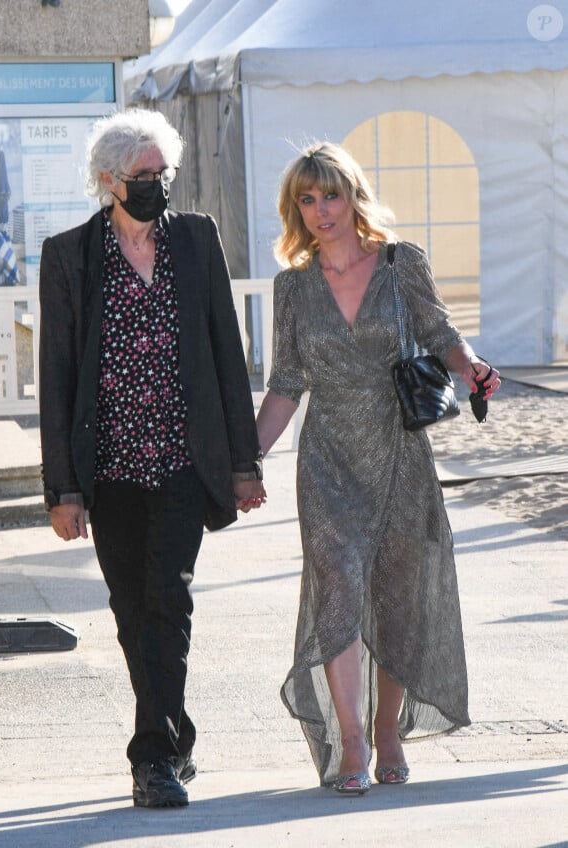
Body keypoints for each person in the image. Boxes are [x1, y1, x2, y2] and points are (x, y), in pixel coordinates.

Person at [256, 141, 500, 793]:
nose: (319, 210)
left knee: (396, 603)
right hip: (328, 461)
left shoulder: (401, 264)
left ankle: (389, 729)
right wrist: (246, 461)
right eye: (306, 199)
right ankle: (353, 744)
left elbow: (442, 333)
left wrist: (470, 367)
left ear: (353, 196)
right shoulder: (294, 287)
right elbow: (285, 383)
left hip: (400, 455)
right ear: (294, 208)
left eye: (330, 195)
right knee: (337, 596)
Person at [39, 109, 265, 809]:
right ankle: (176, 728)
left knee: (169, 598)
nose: (157, 186)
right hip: (107, 467)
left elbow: (228, 353)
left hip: (179, 461)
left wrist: (243, 461)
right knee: (131, 608)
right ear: (108, 181)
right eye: (143, 176)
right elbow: (58, 374)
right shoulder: (70, 255)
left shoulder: (195, 240)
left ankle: (153, 761)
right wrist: (62, 488)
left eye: (163, 173)